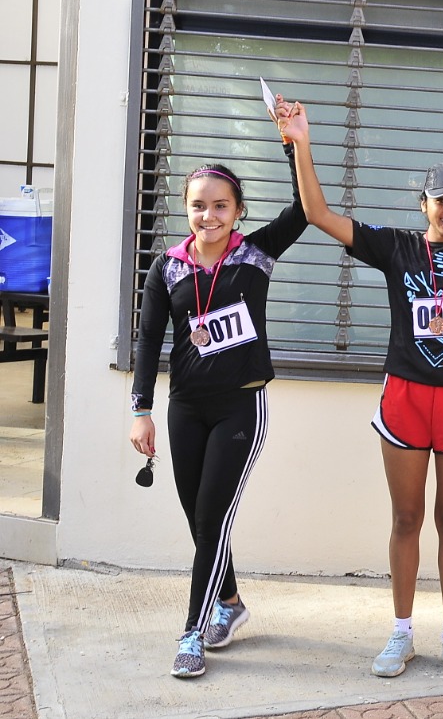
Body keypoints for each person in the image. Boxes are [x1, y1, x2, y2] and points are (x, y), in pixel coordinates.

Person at [276, 95, 443, 681]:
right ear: (422, 202)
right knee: (405, 519)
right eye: (440, 201)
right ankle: (401, 633)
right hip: (404, 395)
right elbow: (319, 212)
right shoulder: (396, 247)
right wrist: (300, 140)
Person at [129, 128, 307, 678]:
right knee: (199, 517)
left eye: (220, 206)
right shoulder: (168, 267)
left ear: (238, 211)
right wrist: (141, 408)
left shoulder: (255, 255)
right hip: (185, 407)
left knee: (211, 521)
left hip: (240, 408)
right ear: (186, 209)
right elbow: (149, 337)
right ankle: (229, 603)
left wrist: (292, 143)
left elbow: (304, 209)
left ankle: (192, 634)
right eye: (199, 206)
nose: (209, 216)